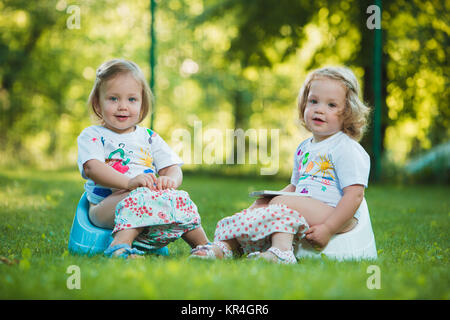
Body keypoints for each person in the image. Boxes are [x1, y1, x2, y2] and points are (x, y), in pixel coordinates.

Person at [190, 66, 371, 264]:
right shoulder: (305, 147)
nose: (319, 109)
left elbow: (355, 196)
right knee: (261, 204)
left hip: (337, 216)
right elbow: (295, 187)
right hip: (309, 207)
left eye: (331, 105)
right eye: (313, 101)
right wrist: (269, 199)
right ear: (304, 104)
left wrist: (328, 228)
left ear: (348, 112)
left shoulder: (345, 148)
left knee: (280, 203)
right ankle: (226, 246)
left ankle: (282, 252)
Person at [77, 59, 209, 259]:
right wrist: (129, 183)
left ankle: (204, 247)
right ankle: (119, 247)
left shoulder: (148, 137)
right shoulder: (93, 135)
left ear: (142, 103)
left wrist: (170, 181)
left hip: (148, 200)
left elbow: (172, 167)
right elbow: (92, 168)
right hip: (106, 207)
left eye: (131, 100)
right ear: (98, 102)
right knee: (139, 196)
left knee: (181, 198)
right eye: (113, 99)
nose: (123, 106)